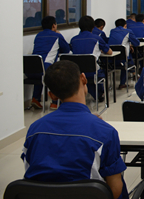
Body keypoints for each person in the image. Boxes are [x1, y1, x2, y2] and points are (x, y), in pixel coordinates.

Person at [21, 60, 128, 199]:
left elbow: (30, 175)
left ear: (52, 96)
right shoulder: (105, 132)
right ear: (84, 78)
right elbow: (115, 190)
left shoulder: (34, 129)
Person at [29, 16, 70, 110]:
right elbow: (66, 50)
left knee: (41, 71)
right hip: (46, 69)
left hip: (31, 69)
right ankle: (55, 103)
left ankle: (35, 99)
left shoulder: (38, 35)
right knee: (57, 74)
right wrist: (60, 35)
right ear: (54, 25)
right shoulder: (57, 36)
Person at [70, 16, 112, 101]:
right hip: (93, 72)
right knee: (100, 71)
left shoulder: (73, 40)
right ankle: (100, 94)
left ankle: (97, 94)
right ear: (93, 27)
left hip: (77, 72)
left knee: (86, 71)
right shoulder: (97, 38)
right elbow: (109, 52)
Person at [108, 18, 140, 89]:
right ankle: (133, 75)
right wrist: (130, 45)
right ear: (125, 25)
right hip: (123, 59)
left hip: (111, 58)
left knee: (127, 56)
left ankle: (133, 74)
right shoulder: (128, 31)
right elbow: (136, 43)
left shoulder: (112, 31)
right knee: (127, 57)